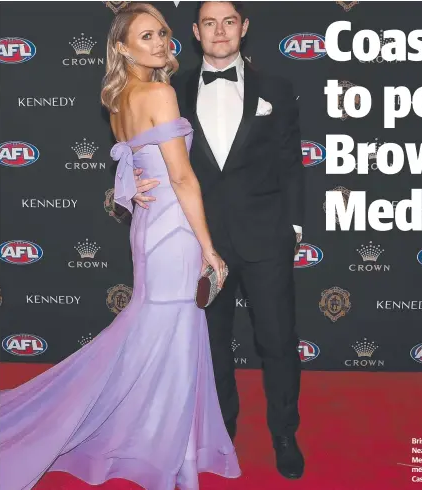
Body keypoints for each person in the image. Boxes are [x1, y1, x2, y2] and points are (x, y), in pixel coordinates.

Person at [0, 4, 241, 489]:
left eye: (162, 33)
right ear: (123, 47)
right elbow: (182, 176)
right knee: (172, 340)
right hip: (173, 230)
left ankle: (164, 448)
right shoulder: (159, 92)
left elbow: (130, 167)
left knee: (159, 336)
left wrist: (132, 190)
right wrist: (209, 247)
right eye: (145, 36)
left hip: (150, 229)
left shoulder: (120, 98)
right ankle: (175, 460)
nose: (159, 43)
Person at [133, 0, 306, 480]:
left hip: (266, 237)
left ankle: (285, 434)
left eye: (229, 21)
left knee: (278, 342)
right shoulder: (169, 90)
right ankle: (220, 432)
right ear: (194, 32)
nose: (220, 31)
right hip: (199, 240)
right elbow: (140, 151)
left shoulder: (278, 87)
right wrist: (130, 183)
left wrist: (293, 229)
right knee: (211, 345)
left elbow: (292, 164)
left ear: (243, 28)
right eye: (209, 23)